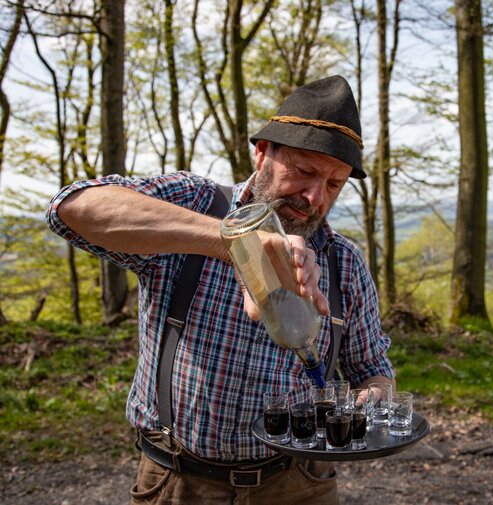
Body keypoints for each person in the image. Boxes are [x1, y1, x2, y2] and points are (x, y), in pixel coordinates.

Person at [46, 75, 396, 505]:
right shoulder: (195, 204)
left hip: (300, 484)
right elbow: (71, 208)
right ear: (262, 153)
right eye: (304, 171)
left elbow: (373, 370)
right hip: (180, 481)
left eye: (333, 184)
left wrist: (370, 399)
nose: (314, 197)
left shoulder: (344, 262)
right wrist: (235, 241)